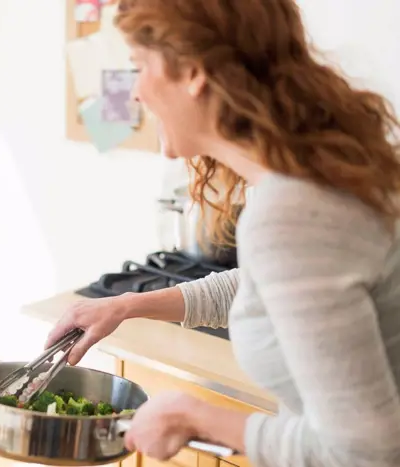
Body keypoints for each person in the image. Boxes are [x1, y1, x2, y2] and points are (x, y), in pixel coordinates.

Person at [46, 1, 400, 466]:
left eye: (139, 67)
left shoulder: (293, 211)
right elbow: (262, 289)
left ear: (193, 71)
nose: (134, 94)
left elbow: (366, 453)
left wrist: (193, 415)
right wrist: (128, 305)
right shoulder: (314, 179)